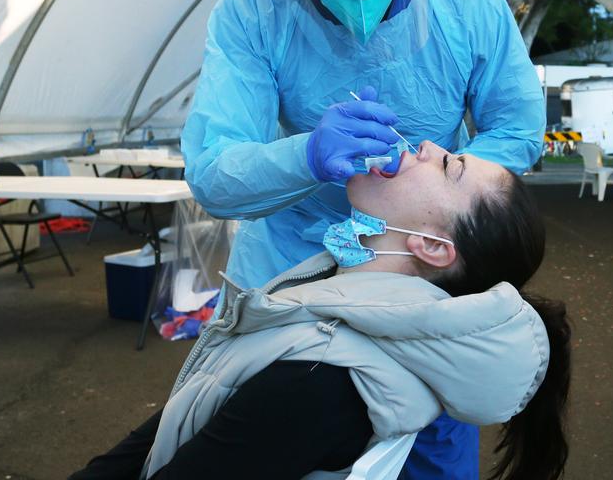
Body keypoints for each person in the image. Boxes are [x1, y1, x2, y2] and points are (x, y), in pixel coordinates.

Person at [181, 0, 545, 476]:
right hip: (295, 275)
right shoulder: (254, 11)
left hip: (423, 278)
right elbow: (213, 174)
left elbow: (517, 130)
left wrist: (439, 194)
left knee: (430, 447)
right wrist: (305, 158)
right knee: (275, 442)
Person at [71, 142, 570, 480]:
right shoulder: (339, 305)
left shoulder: (324, 378)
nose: (429, 147)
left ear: (432, 247)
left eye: (449, 166)